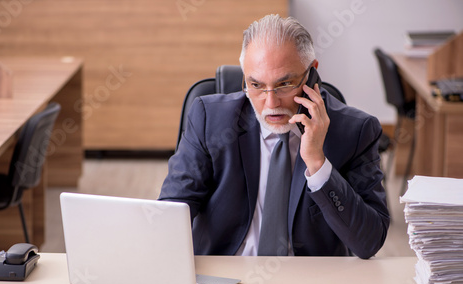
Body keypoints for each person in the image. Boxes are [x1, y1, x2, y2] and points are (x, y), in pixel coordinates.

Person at [159, 14, 389, 259]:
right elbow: (171, 213)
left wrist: (318, 165)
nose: (270, 103)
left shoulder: (355, 131)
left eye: (284, 84)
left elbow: (369, 242)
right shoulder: (210, 121)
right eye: (256, 85)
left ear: (312, 74)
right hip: (225, 277)